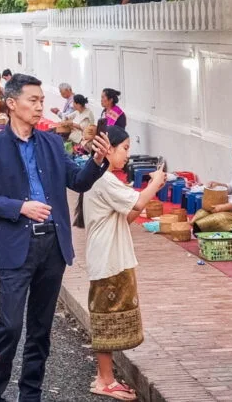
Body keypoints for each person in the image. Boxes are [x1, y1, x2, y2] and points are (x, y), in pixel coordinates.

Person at [0, 74, 112, 402]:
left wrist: (97, 161)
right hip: (15, 246)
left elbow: (77, 181)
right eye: (32, 100)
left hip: (52, 245)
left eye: (39, 101)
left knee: (40, 328)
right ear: (12, 103)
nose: (38, 106)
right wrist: (20, 207)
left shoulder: (50, 142)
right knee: (9, 326)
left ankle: (30, 394)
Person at [70, 126, 163, 401]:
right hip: (108, 259)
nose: (126, 155)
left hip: (111, 256)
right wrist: (155, 183)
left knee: (109, 316)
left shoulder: (102, 178)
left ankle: (105, 377)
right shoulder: (103, 180)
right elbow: (138, 203)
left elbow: (126, 217)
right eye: (124, 148)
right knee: (106, 318)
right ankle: (105, 379)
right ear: (107, 149)